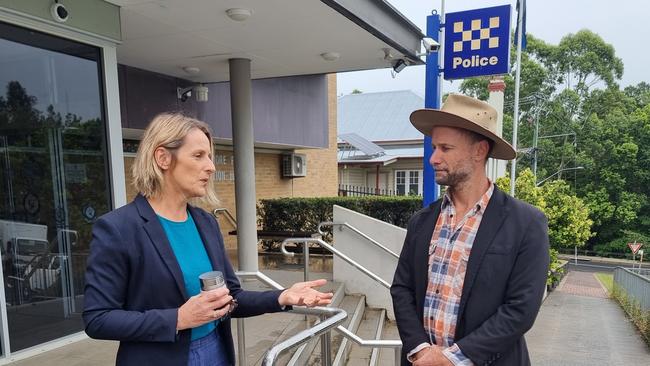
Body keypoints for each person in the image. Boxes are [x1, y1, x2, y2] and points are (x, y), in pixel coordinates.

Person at [83, 113, 333, 366]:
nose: (211, 167)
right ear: (163, 158)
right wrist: (178, 318)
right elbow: (98, 319)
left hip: (216, 351)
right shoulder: (118, 228)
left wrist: (282, 297)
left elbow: (231, 297)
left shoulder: (205, 222)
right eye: (198, 155)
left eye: (210, 156)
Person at [390, 94, 549, 366]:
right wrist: (419, 349)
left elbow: (521, 309)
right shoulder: (422, 221)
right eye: (434, 147)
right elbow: (402, 289)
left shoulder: (525, 223)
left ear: (479, 151)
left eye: (445, 148)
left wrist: (452, 359)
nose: (433, 158)